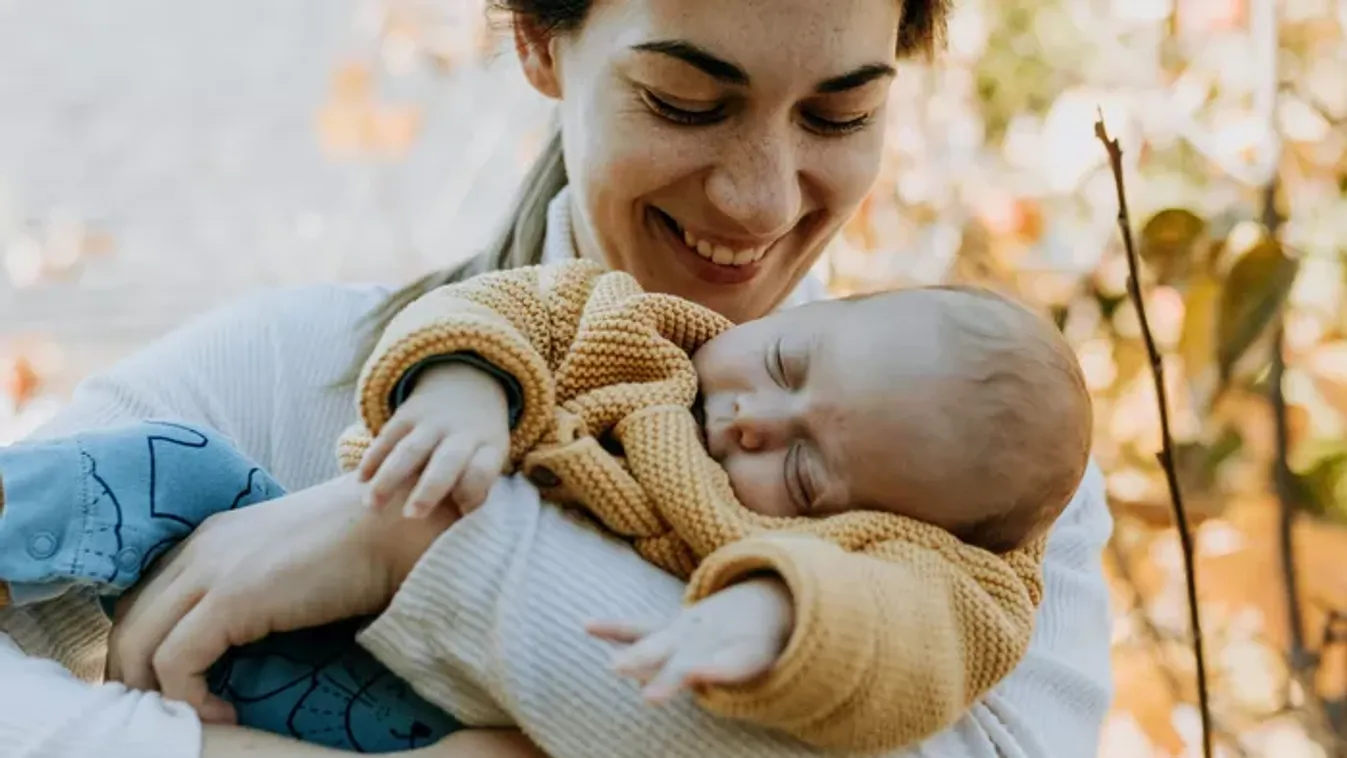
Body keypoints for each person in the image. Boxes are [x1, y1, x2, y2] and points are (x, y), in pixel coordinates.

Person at [0, 0, 1114, 756]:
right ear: (539, 40)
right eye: (686, 100)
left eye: (841, 114)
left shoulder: (975, 467)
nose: (762, 201)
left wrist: (419, 547)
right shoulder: (290, 371)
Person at [339, 257, 1093, 752]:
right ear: (812, 313)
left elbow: (917, 629)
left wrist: (784, 611)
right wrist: (465, 387)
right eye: (783, 362)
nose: (753, 419)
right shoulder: (634, 330)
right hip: (350, 612)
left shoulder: (927, 566)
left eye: (802, 472)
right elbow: (506, 306)